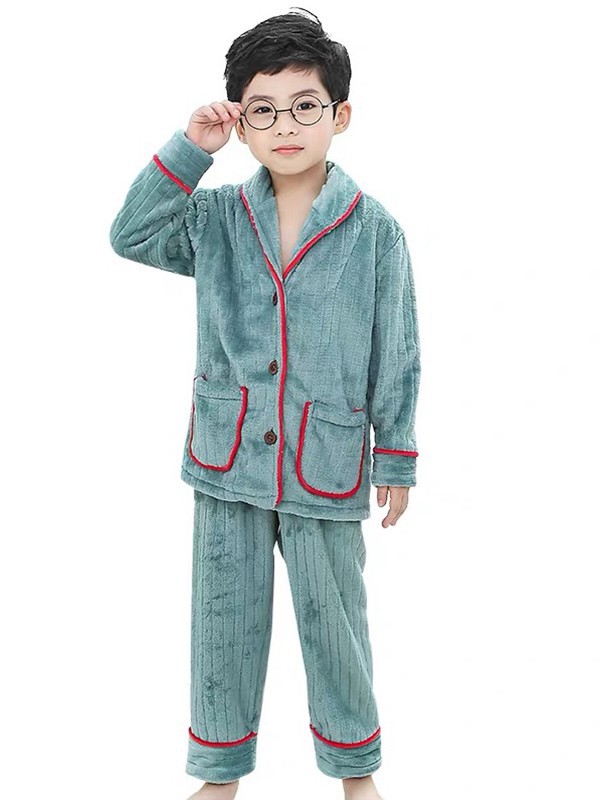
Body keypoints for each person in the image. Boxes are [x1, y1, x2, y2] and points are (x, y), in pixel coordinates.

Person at [109, 8, 421, 800]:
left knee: (335, 626)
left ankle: (356, 775)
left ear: (339, 115)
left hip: (326, 458)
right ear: (242, 124)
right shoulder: (214, 218)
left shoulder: (375, 231)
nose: (286, 125)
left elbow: (397, 349)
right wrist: (192, 149)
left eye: (305, 106)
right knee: (222, 623)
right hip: (229, 458)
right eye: (264, 110)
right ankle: (218, 778)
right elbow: (131, 234)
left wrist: (395, 456)